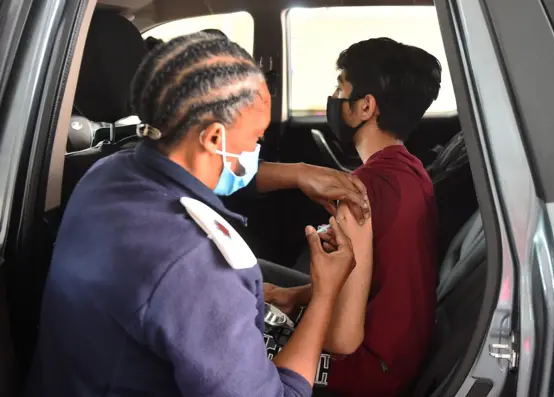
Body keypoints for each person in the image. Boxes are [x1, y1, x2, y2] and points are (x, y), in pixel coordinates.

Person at [27, 32, 372, 397]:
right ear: (213, 139)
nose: (257, 149)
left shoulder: (109, 173)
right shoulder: (200, 265)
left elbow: (216, 174)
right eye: (256, 138)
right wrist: (325, 295)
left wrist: (299, 173)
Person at [262, 37, 442, 396]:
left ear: (365, 106)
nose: (334, 99)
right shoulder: (413, 171)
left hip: (366, 373)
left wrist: (293, 327)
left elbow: (342, 340)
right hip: (400, 357)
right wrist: (293, 296)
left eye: (340, 88)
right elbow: (373, 282)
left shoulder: (356, 193)